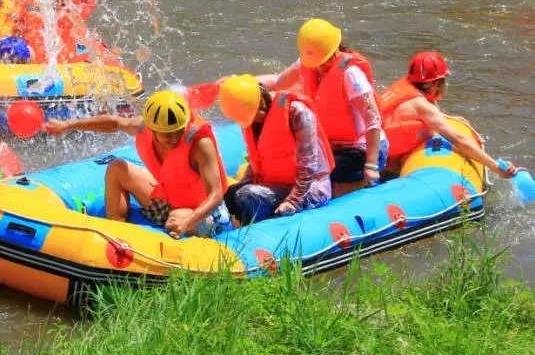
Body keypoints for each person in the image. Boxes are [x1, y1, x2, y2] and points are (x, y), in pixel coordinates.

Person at [45, 90, 230, 239]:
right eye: (167, 134)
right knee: (117, 168)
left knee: (177, 218)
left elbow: (215, 195)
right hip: (169, 199)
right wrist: (67, 126)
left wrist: (188, 221)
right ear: (153, 128)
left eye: (177, 131)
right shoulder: (143, 127)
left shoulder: (199, 143)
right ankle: (115, 235)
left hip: (204, 213)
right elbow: (114, 122)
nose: (174, 138)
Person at [255, 18, 387, 190]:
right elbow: (279, 81)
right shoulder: (310, 60)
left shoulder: (351, 74)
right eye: (315, 64)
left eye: (323, 63)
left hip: (362, 149)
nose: (318, 68)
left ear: (334, 51)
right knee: (293, 166)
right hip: (331, 147)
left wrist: (371, 166)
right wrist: (249, 85)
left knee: (317, 172)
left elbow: (373, 120)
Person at [379, 51, 523, 179]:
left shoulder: (405, 88)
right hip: (380, 157)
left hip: (373, 148)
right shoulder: (423, 106)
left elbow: (403, 115)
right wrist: (496, 167)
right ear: (436, 83)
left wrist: (446, 117)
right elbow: (459, 140)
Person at [218, 74, 334, 225]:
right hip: (276, 184)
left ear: (261, 102)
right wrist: (240, 186)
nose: (251, 122)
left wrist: (293, 201)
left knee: (247, 194)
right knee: (232, 194)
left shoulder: (297, 112)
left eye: (253, 117)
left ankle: (257, 230)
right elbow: (257, 160)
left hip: (311, 188)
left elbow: (308, 164)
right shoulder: (251, 119)